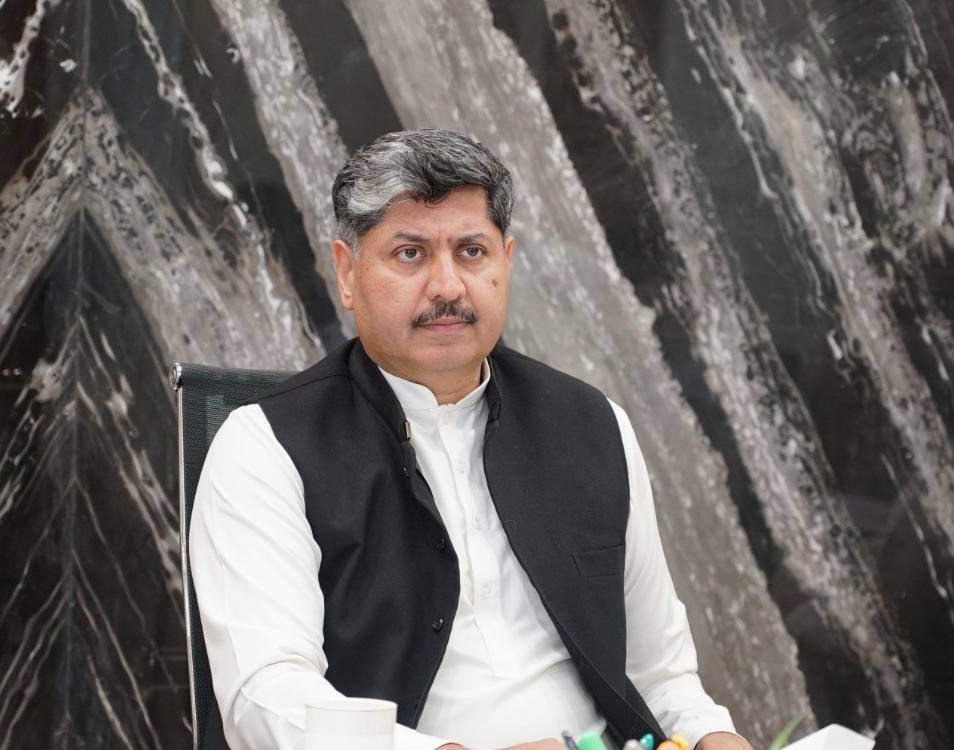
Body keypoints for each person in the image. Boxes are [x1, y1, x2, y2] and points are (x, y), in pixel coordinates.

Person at [190, 129, 754, 750]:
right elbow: (267, 699)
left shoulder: (593, 425)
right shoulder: (264, 449)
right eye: (410, 253)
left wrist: (711, 734)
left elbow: (660, 673)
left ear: (505, 262)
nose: (448, 286)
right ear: (348, 273)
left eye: (472, 252)